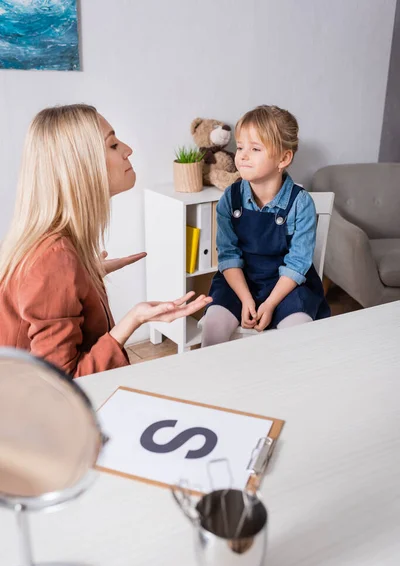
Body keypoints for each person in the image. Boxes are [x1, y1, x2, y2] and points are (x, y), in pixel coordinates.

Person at [0, 104, 211, 376]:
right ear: (81, 166)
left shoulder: (56, 248)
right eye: (113, 145)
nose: (128, 150)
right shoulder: (53, 258)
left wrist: (86, 275)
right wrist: (134, 319)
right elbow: (64, 386)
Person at [201, 105, 330, 347]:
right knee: (213, 325)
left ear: (283, 158)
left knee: (298, 330)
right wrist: (246, 298)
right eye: (240, 147)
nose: (243, 155)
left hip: (287, 285)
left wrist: (270, 304)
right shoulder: (230, 198)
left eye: (255, 148)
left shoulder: (300, 204)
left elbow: (298, 263)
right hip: (239, 280)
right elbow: (228, 256)